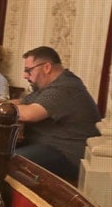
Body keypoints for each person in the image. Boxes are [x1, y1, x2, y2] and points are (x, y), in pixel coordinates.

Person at [9, 46, 101, 182]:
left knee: (10, 160)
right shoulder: (48, 87)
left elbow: (29, 113)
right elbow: (23, 102)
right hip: (48, 147)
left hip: (67, 155)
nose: (25, 75)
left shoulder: (66, 86)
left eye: (29, 70)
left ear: (47, 67)